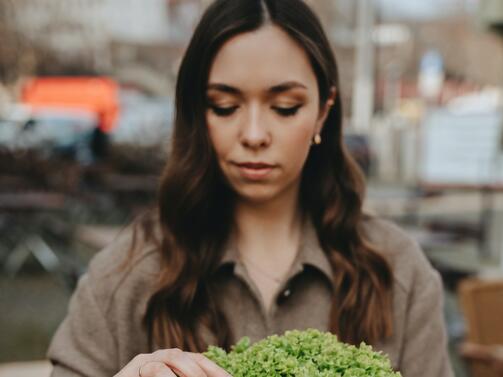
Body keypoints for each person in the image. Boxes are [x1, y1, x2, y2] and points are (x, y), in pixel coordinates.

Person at [47, 0, 455, 376]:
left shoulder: (399, 273)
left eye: (284, 108)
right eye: (225, 107)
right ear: (197, 113)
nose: (255, 134)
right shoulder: (128, 274)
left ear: (322, 112)